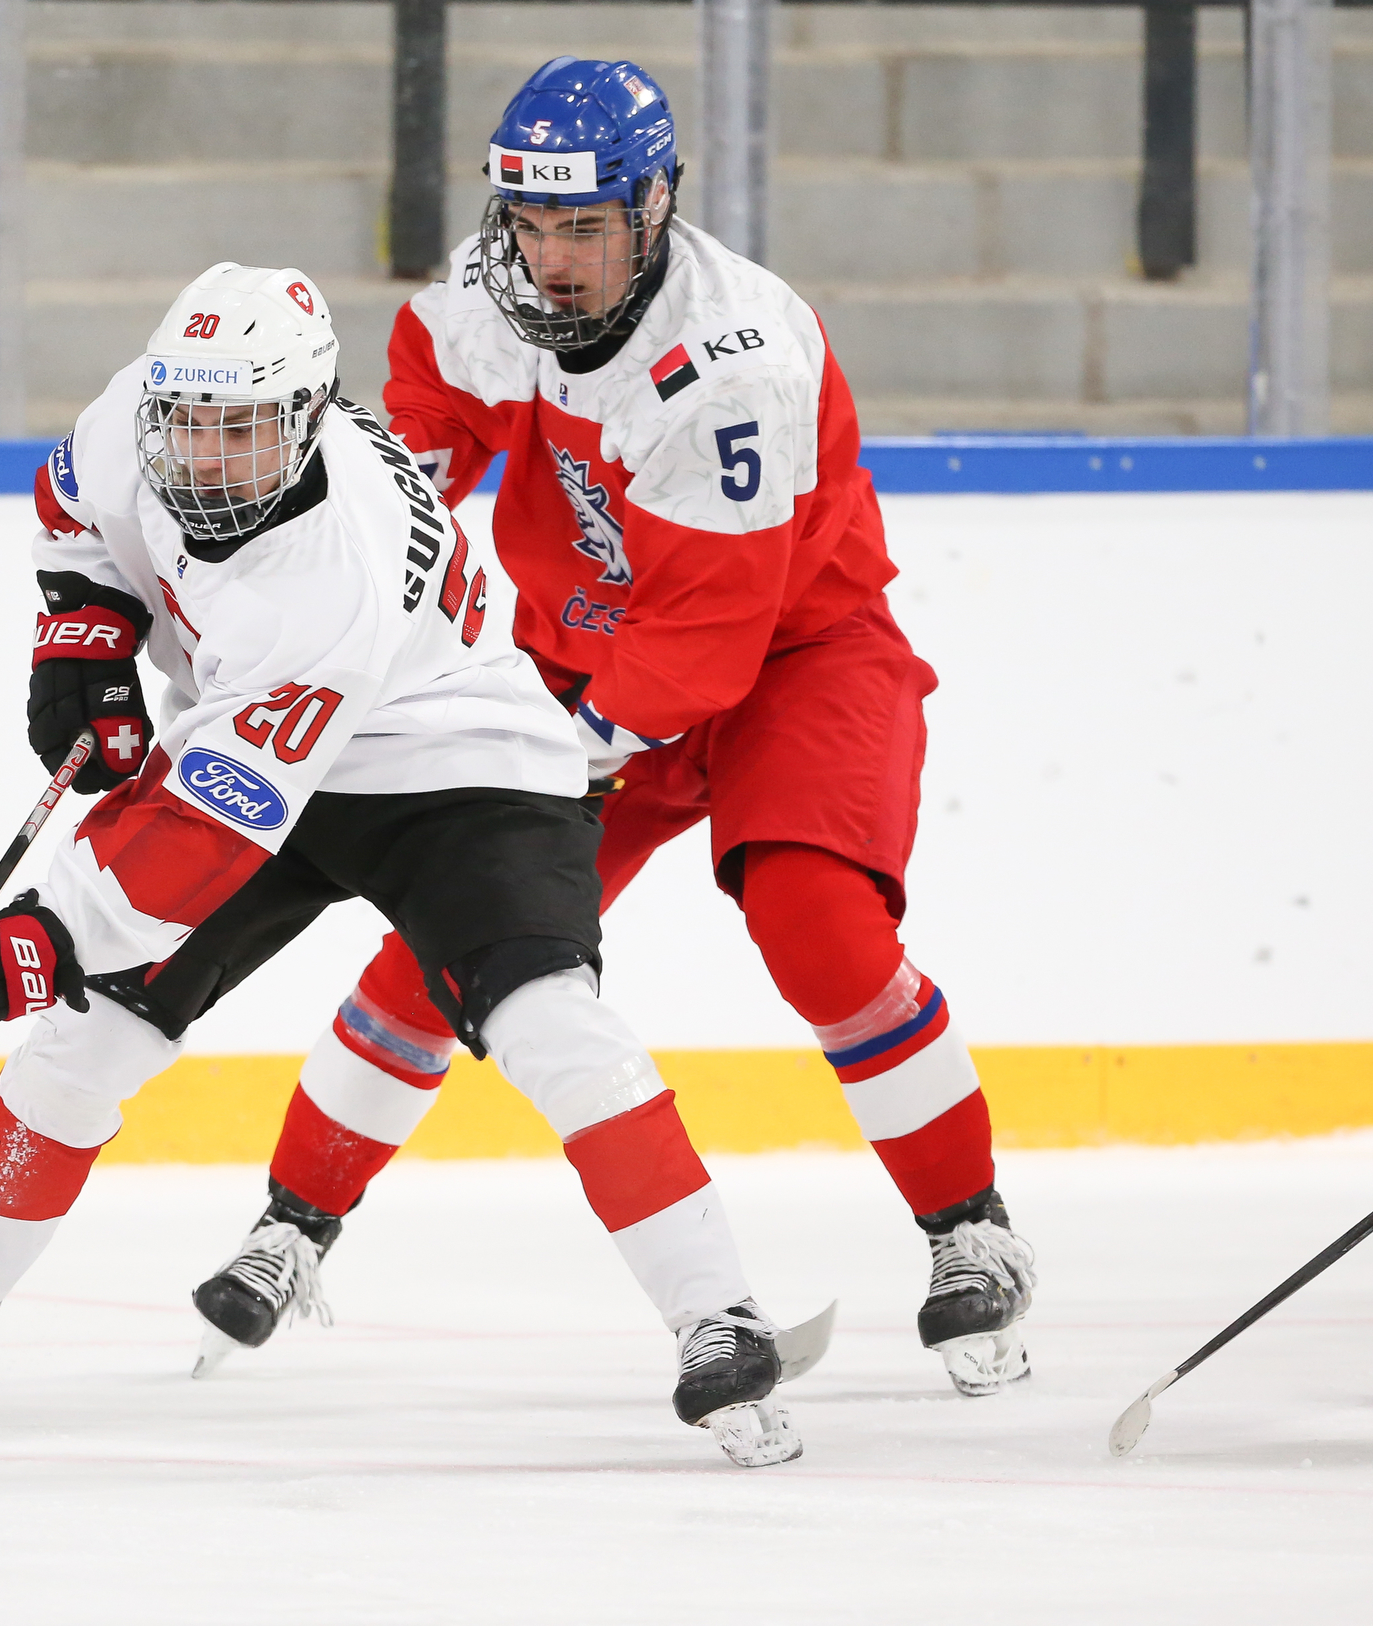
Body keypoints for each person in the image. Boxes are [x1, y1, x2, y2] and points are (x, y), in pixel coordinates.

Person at [0, 262, 804, 1468]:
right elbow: (73, 515)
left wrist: (20, 950)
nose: (204, 457)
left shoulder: (331, 573)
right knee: (89, 1038)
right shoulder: (134, 413)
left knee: (551, 1024)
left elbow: (199, 838)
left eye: (241, 429)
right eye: (187, 422)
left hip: (459, 769)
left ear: (307, 415)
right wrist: (84, 630)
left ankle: (716, 1313)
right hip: (255, 741)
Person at [194, 59, 1038, 1399]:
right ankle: (290, 1228)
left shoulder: (734, 362)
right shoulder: (485, 301)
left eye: (584, 225)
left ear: (652, 207)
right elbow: (409, 463)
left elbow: (706, 636)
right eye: (531, 223)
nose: (552, 258)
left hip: (793, 658)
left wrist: (539, 755)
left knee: (817, 922)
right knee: (453, 942)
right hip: (582, 661)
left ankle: (969, 1228)